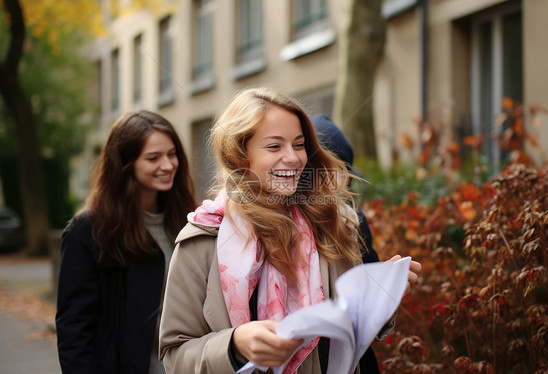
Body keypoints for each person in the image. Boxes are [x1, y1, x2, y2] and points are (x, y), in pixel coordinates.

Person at [158, 87, 421, 374]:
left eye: (298, 145)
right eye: (274, 146)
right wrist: (233, 346)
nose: (294, 158)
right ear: (240, 155)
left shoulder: (331, 223)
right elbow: (174, 355)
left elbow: (350, 329)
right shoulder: (202, 239)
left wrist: (382, 296)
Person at [56, 110, 197, 374]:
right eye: (153, 158)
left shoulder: (192, 221)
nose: (167, 165)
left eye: (172, 154)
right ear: (125, 164)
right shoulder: (87, 232)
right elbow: (74, 332)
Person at [311, 113, 381, 373]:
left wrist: (388, 281)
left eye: (340, 171)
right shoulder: (283, 225)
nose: (333, 180)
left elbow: (369, 274)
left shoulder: (353, 220)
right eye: (322, 169)